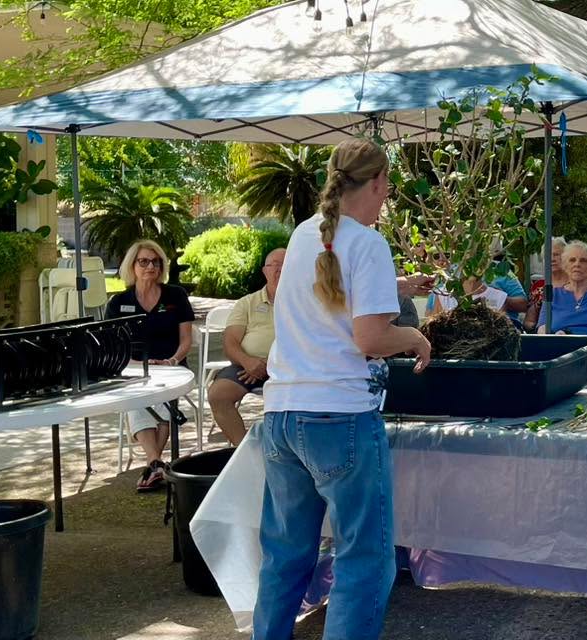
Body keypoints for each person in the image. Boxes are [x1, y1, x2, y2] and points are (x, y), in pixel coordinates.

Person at [255, 139, 432, 639]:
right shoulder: (367, 242)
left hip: (283, 416)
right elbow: (370, 338)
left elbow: (327, 295)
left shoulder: (306, 234)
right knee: (364, 560)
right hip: (340, 417)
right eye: (387, 189)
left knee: (285, 555)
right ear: (376, 183)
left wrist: (393, 286)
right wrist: (416, 337)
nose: (386, 199)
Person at [105, 239, 194, 492]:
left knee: (163, 399)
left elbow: (186, 339)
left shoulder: (175, 296)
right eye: (143, 261)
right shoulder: (118, 302)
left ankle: (153, 464)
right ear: (132, 266)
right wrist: (135, 364)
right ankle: (156, 463)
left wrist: (172, 360)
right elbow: (113, 346)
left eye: (155, 262)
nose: (150, 267)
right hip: (133, 369)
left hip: (171, 367)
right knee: (137, 400)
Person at [206, 248, 285, 446]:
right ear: (264, 271)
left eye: (285, 265)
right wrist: (248, 362)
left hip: (288, 367)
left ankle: (285, 451)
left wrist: (269, 364)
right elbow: (230, 342)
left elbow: (306, 343)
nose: (279, 270)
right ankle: (244, 450)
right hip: (246, 366)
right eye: (273, 266)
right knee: (218, 394)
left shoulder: (304, 303)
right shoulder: (247, 303)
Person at [542, 241, 587, 338]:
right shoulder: (552, 294)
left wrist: (583, 343)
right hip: (558, 346)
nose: (577, 264)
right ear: (565, 266)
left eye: (583, 260)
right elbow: (542, 328)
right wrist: (555, 337)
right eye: (572, 260)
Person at [523, 237, 568, 332]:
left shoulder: (577, 285)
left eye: (556, 255)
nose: (552, 259)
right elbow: (528, 322)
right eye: (547, 255)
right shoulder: (539, 286)